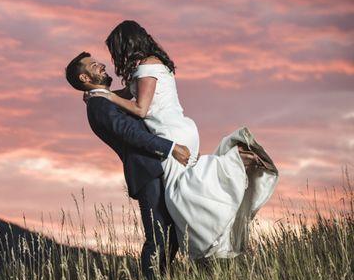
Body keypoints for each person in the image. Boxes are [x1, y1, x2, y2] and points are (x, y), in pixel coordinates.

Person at [84, 20, 279, 259]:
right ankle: (234, 163)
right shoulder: (153, 65)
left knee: (181, 195)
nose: (114, 58)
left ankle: (236, 160)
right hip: (182, 129)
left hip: (171, 135)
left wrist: (107, 97)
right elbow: (129, 94)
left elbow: (140, 109)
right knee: (184, 191)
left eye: (116, 49)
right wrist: (102, 93)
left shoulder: (145, 68)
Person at [65, 52, 258, 280]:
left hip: (156, 169)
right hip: (147, 173)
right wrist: (170, 147)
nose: (102, 66)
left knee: (172, 232)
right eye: (94, 66)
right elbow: (130, 133)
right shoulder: (97, 105)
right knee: (158, 237)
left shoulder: (100, 99)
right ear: (85, 78)